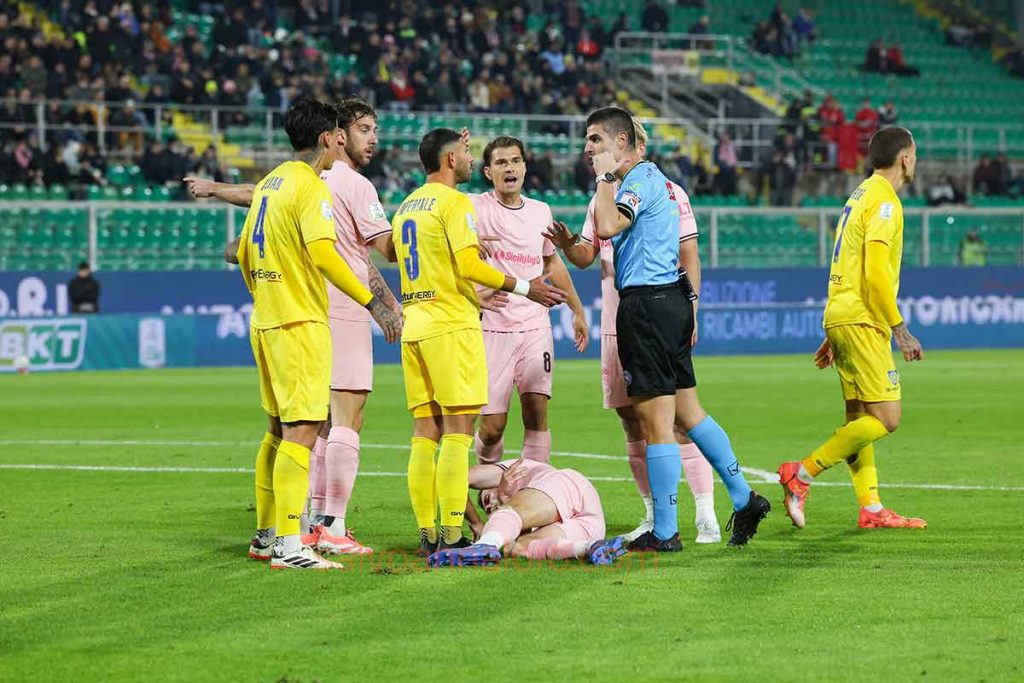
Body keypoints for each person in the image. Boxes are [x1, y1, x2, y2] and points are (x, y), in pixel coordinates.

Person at [186, 98, 404, 557]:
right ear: (331, 137)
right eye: (359, 130)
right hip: (306, 317)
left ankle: (272, 533)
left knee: (281, 431)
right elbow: (339, 255)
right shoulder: (322, 186)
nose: (367, 139)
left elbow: (239, 250)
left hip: (268, 317)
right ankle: (304, 535)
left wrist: (259, 291)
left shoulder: (274, 181)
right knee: (320, 425)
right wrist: (375, 300)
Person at [579, 106, 770, 549]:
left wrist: (604, 178)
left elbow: (608, 225)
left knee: (655, 423)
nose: (588, 148)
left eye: (595, 139)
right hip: (670, 300)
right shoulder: (657, 181)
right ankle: (744, 497)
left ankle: (665, 530)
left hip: (646, 305)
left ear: (621, 142)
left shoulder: (635, 181)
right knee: (689, 412)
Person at [544, 117, 721, 545]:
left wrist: (693, 309)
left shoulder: (669, 191)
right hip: (617, 320)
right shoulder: (602, 195)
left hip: (654, 312)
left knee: (675, 418)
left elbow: (689, 255)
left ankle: (705, 512)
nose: (594, 151)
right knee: (631, 420)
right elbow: (587, 254)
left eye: (599, 142)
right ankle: (654, 514)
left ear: (632, 146)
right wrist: (568, 244)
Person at [393, 128, 566, 556]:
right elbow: (470, 265)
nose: (471, 159)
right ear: (450, 159)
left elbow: (429, 259)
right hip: (451, 328)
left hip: (415, 325)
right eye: (466, 152)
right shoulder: (454, 202)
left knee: (424, 435)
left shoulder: (407, 205)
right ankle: (453, 532)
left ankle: (427, 532)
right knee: (457, 434)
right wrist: (524, 287)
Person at [777, 126, 927, 530]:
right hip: (862, 316)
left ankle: (871, 508)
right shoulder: (885, 202)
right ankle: (801, 474)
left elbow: (849, 263)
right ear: (905, 159)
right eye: (915, 154)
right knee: (887, 418)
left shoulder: (859, 194)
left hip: (843, 312)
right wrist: (900, 330)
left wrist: (834, 329)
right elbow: (875, 272)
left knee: (859, 417)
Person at [470, 134, 589, 469]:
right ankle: (488, 482)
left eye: (515, 161)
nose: (510, 168)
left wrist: (577, 309)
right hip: (492, 327)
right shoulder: (474, 207)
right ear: (488, 172)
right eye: (501, 162)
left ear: (524, 167)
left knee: (537, 412)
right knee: (492, 428)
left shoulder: (540, 211)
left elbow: (551, 262)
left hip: (534, 326)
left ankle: (534, 487)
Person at [427, 458, 626, 567]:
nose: (489, 506)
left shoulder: (516, 469)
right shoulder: (508, 524)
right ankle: (591, 547)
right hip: (590, 526)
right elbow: (514, 527)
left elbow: (455, 479)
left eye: (486, 497)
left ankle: (485, 544)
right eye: (486, 510)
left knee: (511, 512)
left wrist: (477, 524)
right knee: (515, 549)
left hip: (568, 487)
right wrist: (502, 499)